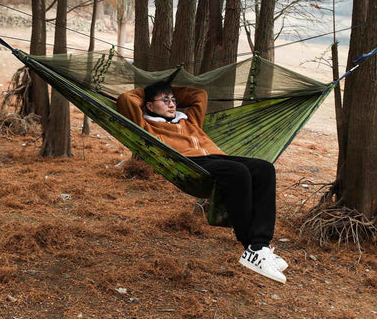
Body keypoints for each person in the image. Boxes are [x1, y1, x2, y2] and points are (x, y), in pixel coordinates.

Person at [117, 81, 288, 284]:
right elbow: (127, 99)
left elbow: (199, 95)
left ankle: (259, 246)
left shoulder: (189, 121)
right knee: (238, 172)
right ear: (149, 106)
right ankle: (250, 246)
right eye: (165, 101)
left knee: (265, 168)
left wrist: (170, 89)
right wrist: (152, 89)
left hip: (217, 157)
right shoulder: (146, 124)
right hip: (188, 163)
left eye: (173, 100)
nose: (172, 104)